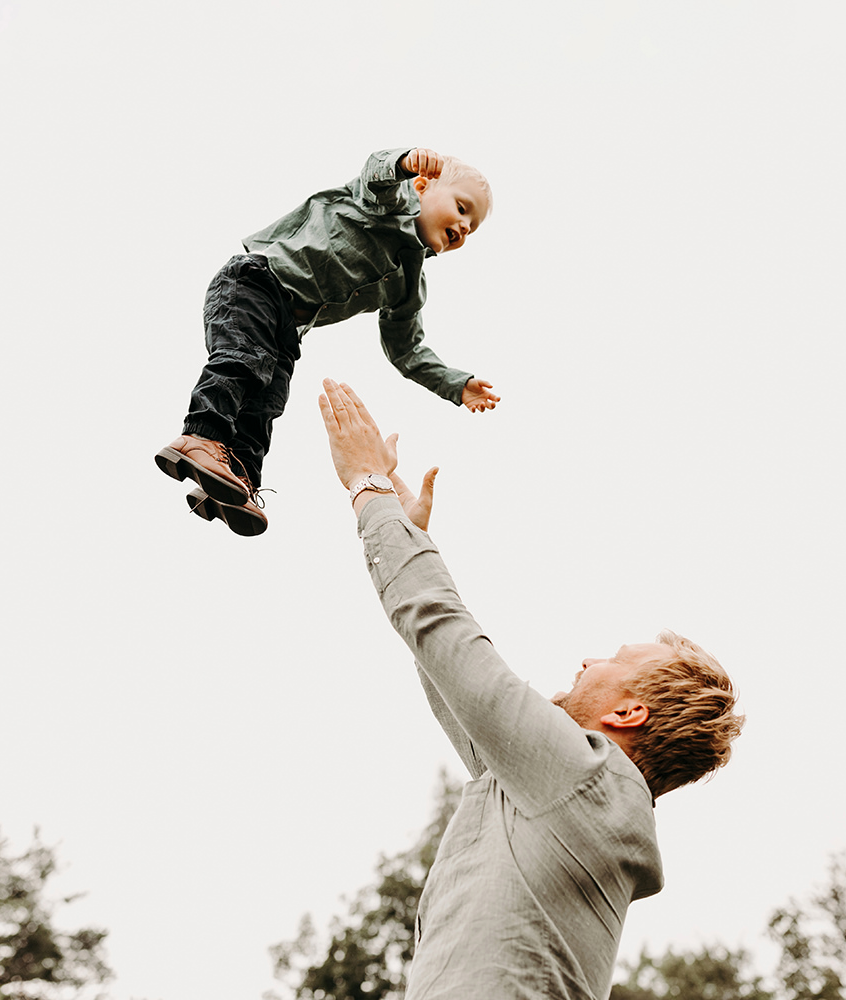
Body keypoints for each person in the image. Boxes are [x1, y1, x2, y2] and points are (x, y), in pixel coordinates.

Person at [317, 378, 746, 1000]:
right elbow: (451, 674)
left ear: (628, 711)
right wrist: (409, 535)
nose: (588, 660)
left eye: (614, 659)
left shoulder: (588, 782)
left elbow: (447, 635)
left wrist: (369, 489)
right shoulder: (557, 795)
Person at [154, 148, 499, 537]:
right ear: (421, 187)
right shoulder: (387, 203)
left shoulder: (408, 288)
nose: (465, 227)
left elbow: (406, 350)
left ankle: (234, 482)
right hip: (254, 282)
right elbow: (374, 174)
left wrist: (456, 383)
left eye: (473, 227)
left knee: (268, 402)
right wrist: (403, 162)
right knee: (243, 362)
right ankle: (201, 436)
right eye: (462, 208)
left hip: (288, 326)